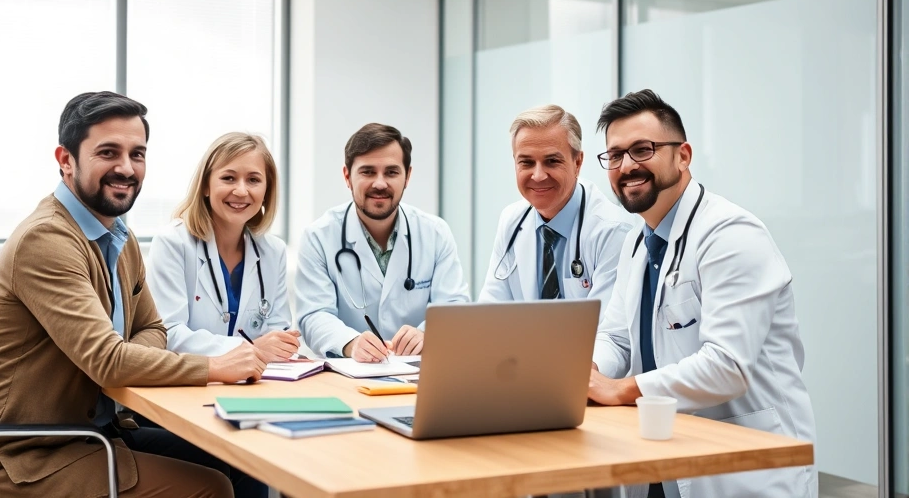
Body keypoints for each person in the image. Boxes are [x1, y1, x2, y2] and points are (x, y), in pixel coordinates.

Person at [0, 91, 270, 498]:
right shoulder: (46, 239)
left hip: (96, 433)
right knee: (211, 487)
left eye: (137, 154)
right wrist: (214, 366)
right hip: (28, 455)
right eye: (108, 153)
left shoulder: (119, 236)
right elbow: (108, 362)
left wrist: (123, 356)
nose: (126, 168)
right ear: (66, 160)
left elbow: (153, 328)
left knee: (241, 456)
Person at [587, 89, 816, 498]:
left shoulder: (730, 234)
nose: (627, 166)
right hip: (660, 458)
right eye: (615, 155)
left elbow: (727, 366)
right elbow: (617, 337)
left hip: (743, 470)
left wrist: (619, 389)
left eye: (642, 149)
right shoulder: (637, 243)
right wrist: (586, 373)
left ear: (683, 155)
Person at [294, 123, 470, 361]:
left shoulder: (435, 233)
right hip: (348, 372)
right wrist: (351, 343)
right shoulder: (318, 237)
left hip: (418, 371)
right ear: (347, 176)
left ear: (407, 176)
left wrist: (426, 334)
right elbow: (314, 315)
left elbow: (454, 307)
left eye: (391, 172)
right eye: (367, 172)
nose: (379, 183)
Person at [148, 133, 299, 362]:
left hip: (259, 379)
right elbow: (169, 334)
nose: (241, 191)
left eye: (253, 180)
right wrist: (250, 348)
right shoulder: (172, 243)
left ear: (266, 191)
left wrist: (283, 346)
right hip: (194, 379)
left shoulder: (273, 251)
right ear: (206, 186)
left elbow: (278, 333)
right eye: (228, 178)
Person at [477, 104, 633, 312]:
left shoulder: (613, 231)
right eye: (526, 162)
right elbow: (489, 315)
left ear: (577, 163)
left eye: (551, 161)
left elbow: (605, 326)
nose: (538, 175)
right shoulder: (512, 221)